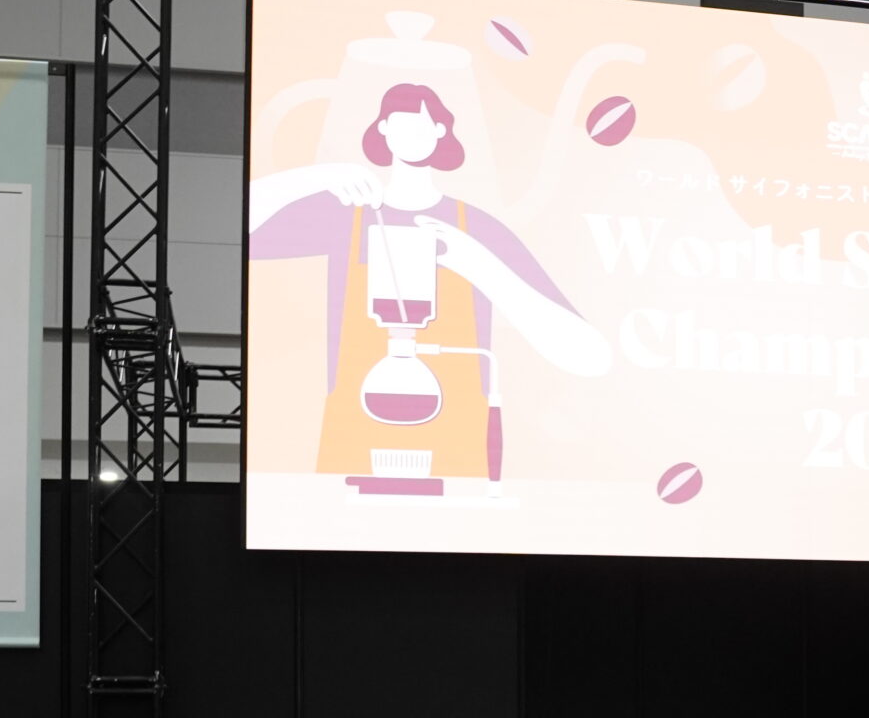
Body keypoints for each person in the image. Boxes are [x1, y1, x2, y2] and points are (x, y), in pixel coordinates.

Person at [250, 83, 609, 483]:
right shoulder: (345, 217)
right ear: (382, 129)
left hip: (458, 447)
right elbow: (240, 227)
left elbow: (590, 356)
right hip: (354, 436)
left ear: (441, 130)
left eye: (423, 122)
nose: (412, 131)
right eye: (400, 121)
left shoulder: (477, 231)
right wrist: (320, 176)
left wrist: (481, 267)